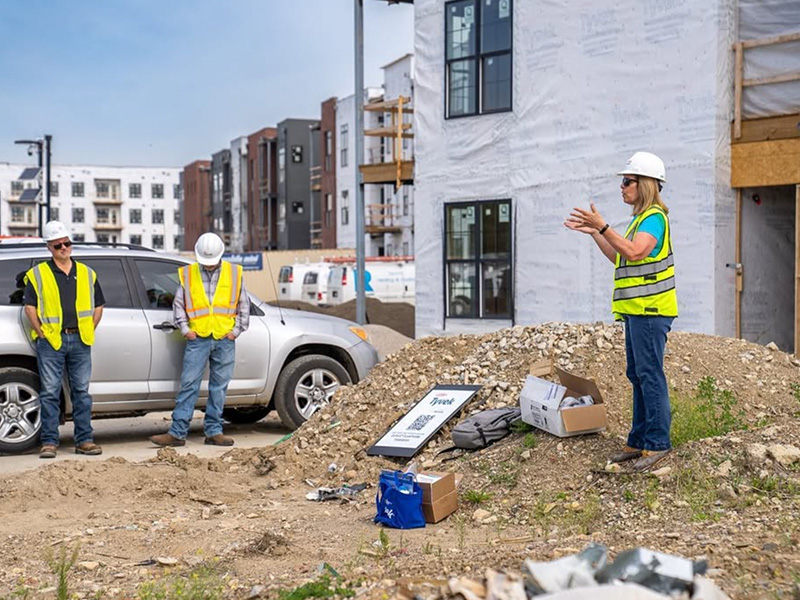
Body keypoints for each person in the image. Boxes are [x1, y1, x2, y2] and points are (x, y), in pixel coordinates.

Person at [565, 152, 677, 472]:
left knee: (649, 375)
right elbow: (619, 257)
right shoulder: (638, 221)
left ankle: (657, 443)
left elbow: (635, 251)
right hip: (637, 311)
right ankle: (638, 440)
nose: (622, 187)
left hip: (651, 311)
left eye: (627, 181)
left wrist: (604, 225)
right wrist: (598, 233)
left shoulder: (655, 217)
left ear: (645, 185)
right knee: (637, 375)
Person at [149, 232, 249, 447]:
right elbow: (179, 304)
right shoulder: (189, 273)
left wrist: (236, 331)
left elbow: (243, 305)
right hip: (198, 338)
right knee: (188, 384)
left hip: (224, 338)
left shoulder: (234, 273)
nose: (209, 266)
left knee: (219, 387)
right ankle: (177, 433)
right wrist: (185, 329)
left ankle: (214, 431)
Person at [24, 221, 105, 458]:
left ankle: (85, 440)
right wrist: (41, 334)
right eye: (58, 244)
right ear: (49, 247)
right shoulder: (38, 274)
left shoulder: (87, 273)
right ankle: (49, 442)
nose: (63, 248)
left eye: (66, 243)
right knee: (49, 392)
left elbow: (98, 305)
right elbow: (30, 307)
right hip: (52, 341)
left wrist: (89, 327)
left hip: (80, 340)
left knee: (82, 391)